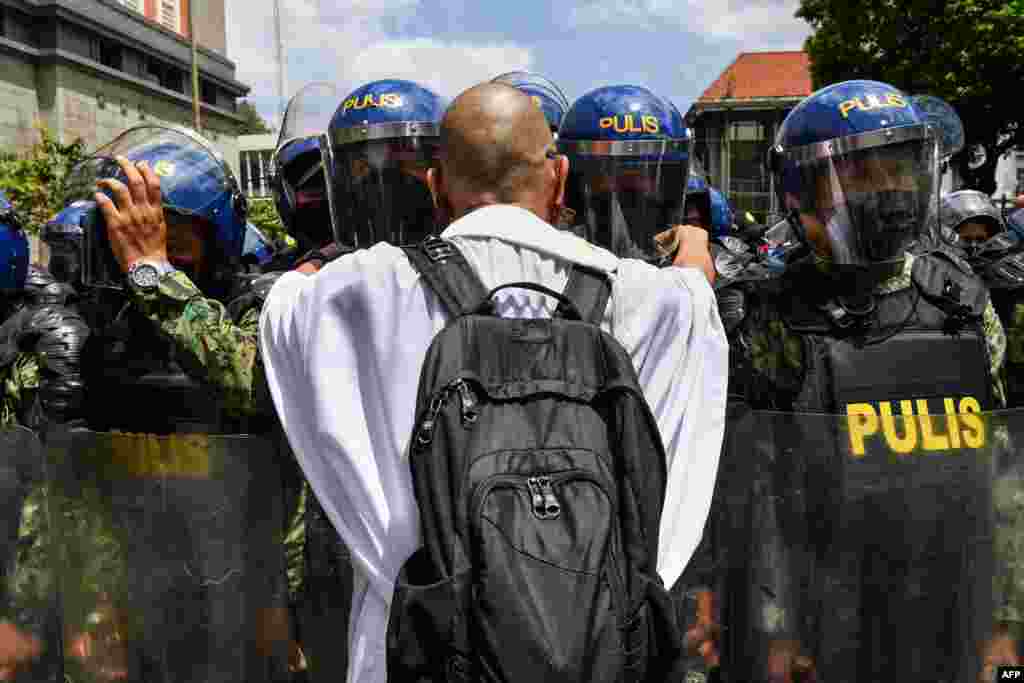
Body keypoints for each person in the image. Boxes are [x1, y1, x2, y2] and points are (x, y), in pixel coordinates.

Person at [259, 81, 728, 683]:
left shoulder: (355, 295)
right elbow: (697, 305)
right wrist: (693, 261)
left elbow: (285, 304)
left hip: (414, 654)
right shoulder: (655, 301)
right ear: (560, 179)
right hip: (601, 653)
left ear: (433, 186)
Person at [722, 79, 1007, 682]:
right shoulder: (772, 312)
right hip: (826, 606)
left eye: (898, 169)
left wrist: (1004, 621)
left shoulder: (963, 302)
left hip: (952, 596)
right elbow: (755, 489)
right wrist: (774, 629)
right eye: (860, 175)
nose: (887, 192)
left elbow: (999, 475)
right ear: (804, 190)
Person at [35, 124, 297, 682]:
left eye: (166, 236)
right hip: (145, 588)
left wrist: (155, 275)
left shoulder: (262, 305)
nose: (144, 248)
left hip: (248, 591)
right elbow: (78, 478)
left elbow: (250, 382)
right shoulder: (110, 331)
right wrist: (91, 602)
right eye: (128, 236)